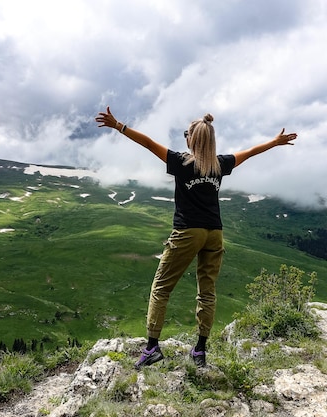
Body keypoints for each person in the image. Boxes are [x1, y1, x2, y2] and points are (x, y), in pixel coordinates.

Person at [95, 106, 297, 368]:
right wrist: (275, 142)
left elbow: (147, 143)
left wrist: (119, 126)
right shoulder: (220, 164)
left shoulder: (181, 162)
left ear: (191, 139)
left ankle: (152, 347)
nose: (185, 139)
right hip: (215, 233)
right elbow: (250, 152)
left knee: (161, 287)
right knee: (207, 291)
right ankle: (200, 350)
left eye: (185, 135)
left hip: (187, 231)